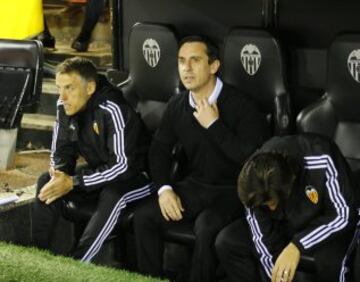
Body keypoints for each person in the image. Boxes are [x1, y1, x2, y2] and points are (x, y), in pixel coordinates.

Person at [133, 35, 268, 282]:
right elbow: (159, 150)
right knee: (144, 217)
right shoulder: (178, 104)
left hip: (234, 191)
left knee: (206, 227)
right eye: (181, 61)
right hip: (197, 186)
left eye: (195, 60)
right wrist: (164, 189)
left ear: (213, 66)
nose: (186, 68)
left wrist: (214, 125)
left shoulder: (242, 105)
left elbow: (253, 161)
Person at [32, 57, 152, 262]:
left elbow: (122, 166)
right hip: (103, 172)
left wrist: (75, 182)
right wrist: (60, 174)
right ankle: (36, 257)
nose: (62, 96)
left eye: (69, 88)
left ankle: (78, 263)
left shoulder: (112, 108)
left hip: (138, 176)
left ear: (90, 88)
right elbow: (60, 151)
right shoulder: (64, 105)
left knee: (113, 194)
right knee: (46, 180)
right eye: (59, 87)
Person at [215, 133, 359, 282]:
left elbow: (344, 214)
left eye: (271, 203)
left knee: (330, 262)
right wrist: (278, 276)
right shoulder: (253, 182)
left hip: (327, 220)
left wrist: (297, 246)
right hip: (287, 224)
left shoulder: (320, 156)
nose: (270, 209)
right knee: (227, 241)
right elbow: (265, 244)